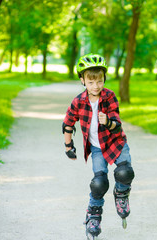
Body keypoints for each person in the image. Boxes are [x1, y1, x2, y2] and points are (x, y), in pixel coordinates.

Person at [62, 53, 135, 238]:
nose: (96, 86)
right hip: (97, 148)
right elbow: (68, 123)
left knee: (125, 172)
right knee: (99, 183)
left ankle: (121, 194)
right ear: (82, 80)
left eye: (100, 81)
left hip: (115, 142)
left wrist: (108, 122)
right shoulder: (78, 101)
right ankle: (93, 215)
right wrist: (68, 146)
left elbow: (117, 127)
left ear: (104, 79)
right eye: (91, 81)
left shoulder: (109, 96)